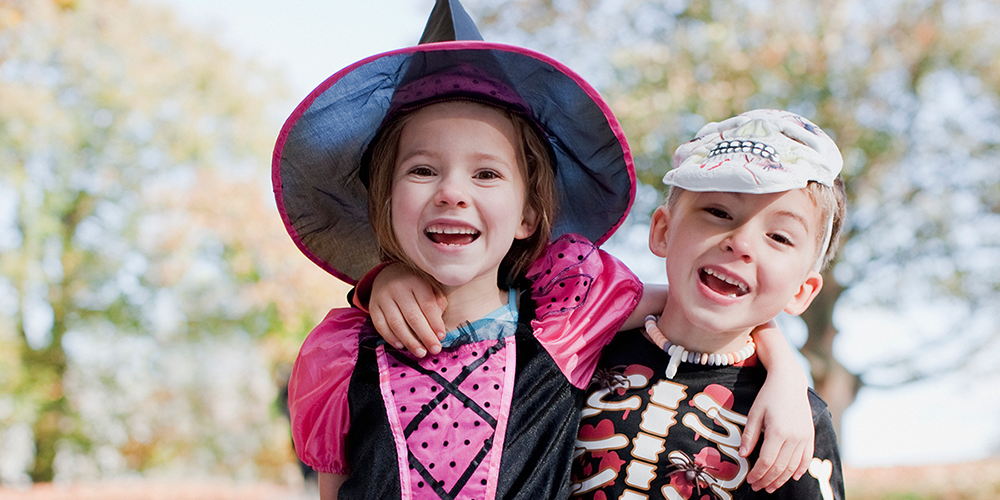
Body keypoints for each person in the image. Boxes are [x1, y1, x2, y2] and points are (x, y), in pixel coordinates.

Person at [276, 1, 643, 498]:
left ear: (527, 215)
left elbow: (703, 312)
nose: (452, 192)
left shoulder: (569, 321)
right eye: (423, 170)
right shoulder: (342, 356)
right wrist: (380, 279)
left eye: (486, 174)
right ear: (385, 204)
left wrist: (782, 370)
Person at [569, 109, 847, 499]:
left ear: (802, 291)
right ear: (663, 231)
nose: (741, 243)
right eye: (718, 212)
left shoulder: (795, 421)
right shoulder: (577, 348)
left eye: (780, 237)